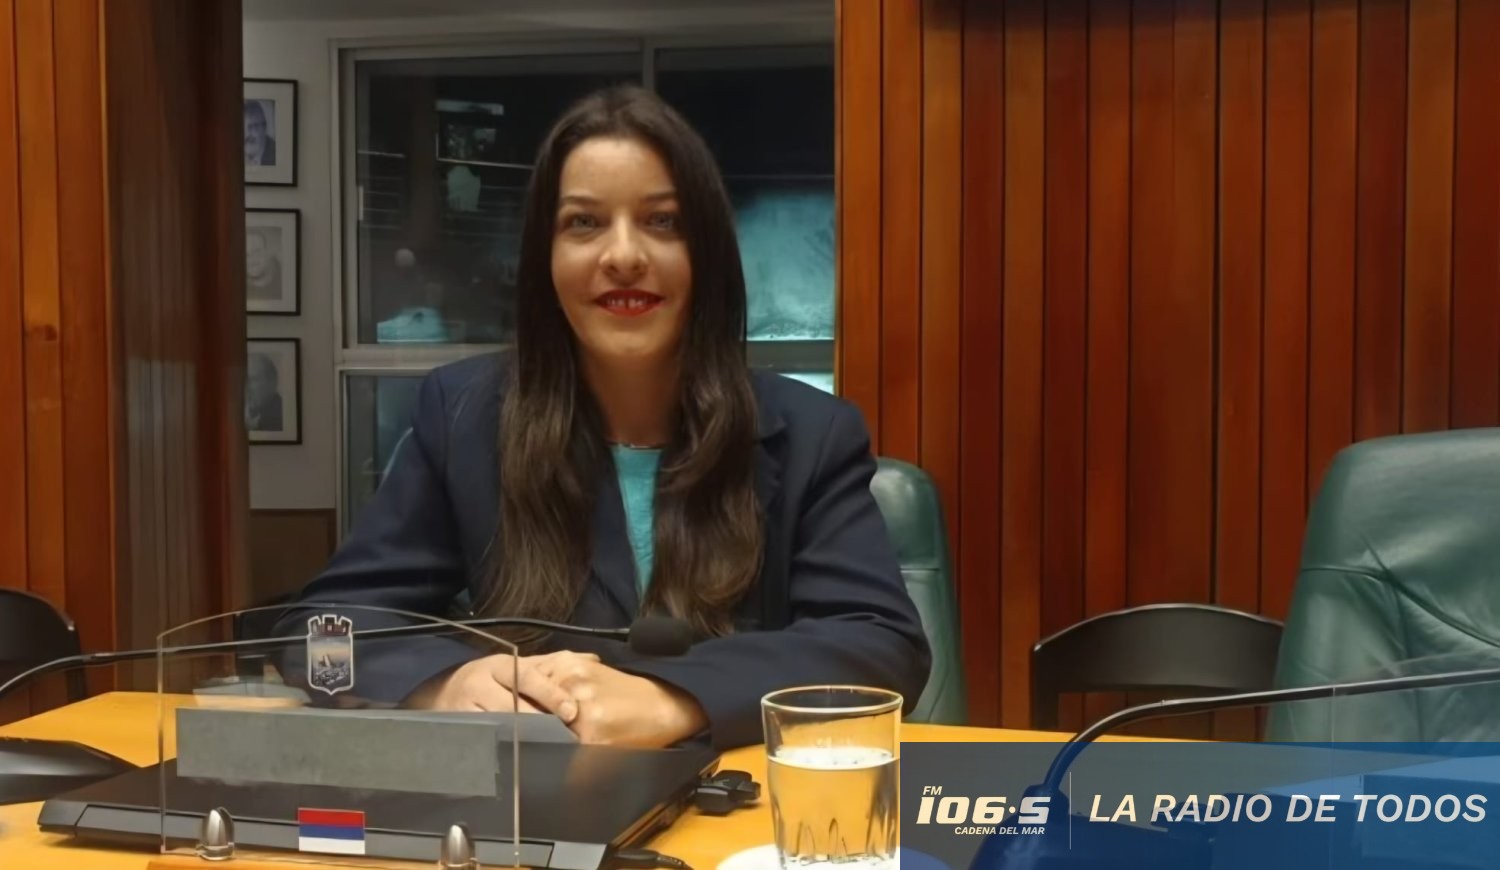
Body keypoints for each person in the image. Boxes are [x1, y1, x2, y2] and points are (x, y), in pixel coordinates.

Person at [282, 85, 931, 751]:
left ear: (706, 254)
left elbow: (882, 646)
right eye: (584, 223)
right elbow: (316, 637)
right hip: (536, 798)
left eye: (663, 221)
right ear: (545, 258)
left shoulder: (813, 434)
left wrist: (675, 698)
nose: (622, 256)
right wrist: (441, 684)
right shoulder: (461, 417)